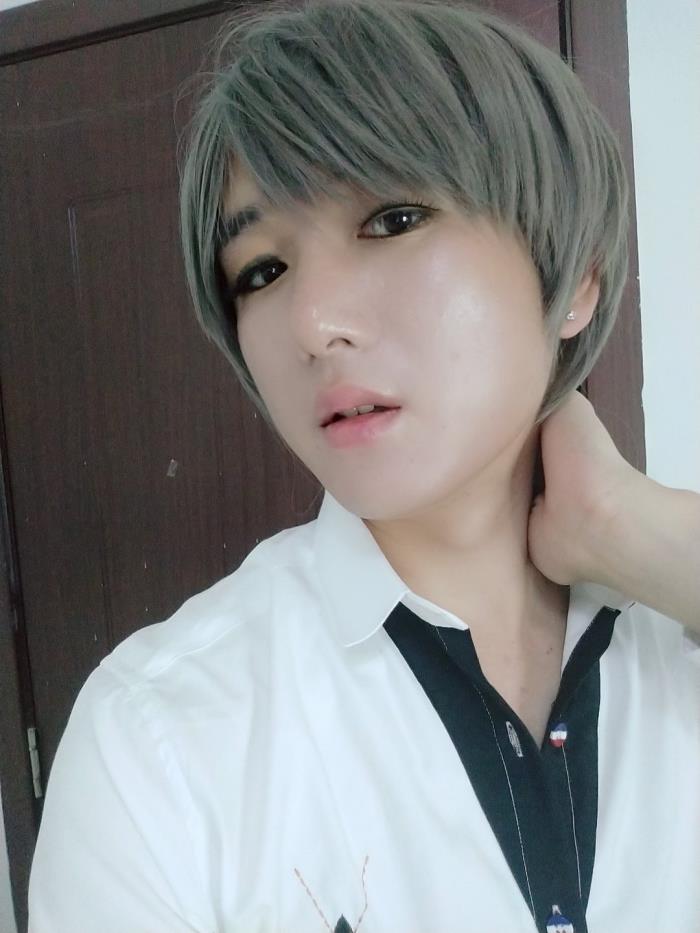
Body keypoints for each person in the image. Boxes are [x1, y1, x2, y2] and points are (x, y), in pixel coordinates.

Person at [27, 0, 700, 930]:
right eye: (261, 271)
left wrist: (630, 525)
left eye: (392, 218)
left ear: (576, 275)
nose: (312, 324)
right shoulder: (160, 741)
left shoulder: (675, 632)